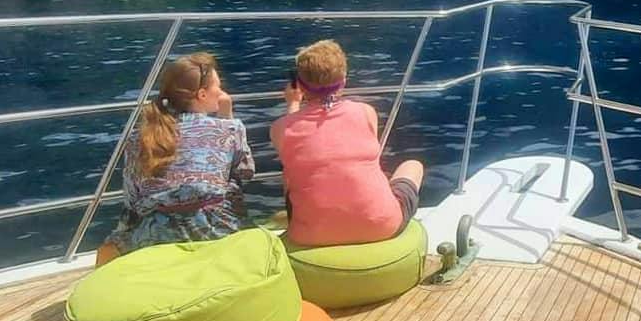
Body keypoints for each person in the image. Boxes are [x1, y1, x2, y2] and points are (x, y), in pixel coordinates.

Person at [271, 39, 425, 246]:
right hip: (382, 226)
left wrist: (293, 104)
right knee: (413, 165)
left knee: (291, 174)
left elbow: (292, 142)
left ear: (298, 84)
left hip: (310, 236)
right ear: (343, 81)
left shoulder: (281, 128)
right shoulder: (365, 112)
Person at [104, 52, 255, 257]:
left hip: (155, 236)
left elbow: (132, 199)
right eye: (218, 87)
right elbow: (245, 173)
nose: (222, 92)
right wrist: (226, 117)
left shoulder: (139, 137)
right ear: (202, 95)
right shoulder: (230, 129)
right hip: (215, 229)